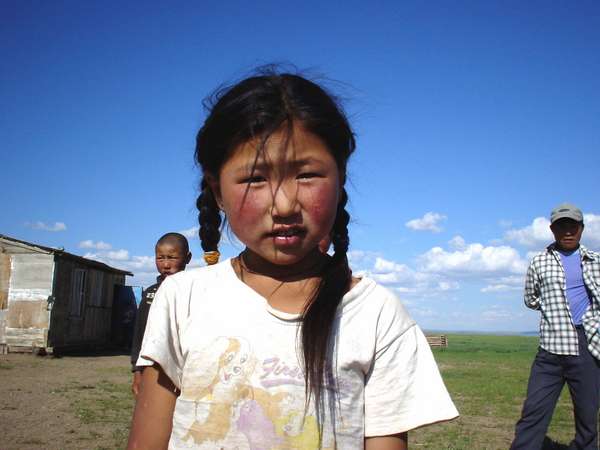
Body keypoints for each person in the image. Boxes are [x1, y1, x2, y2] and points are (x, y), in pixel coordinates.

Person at [127, 70, 458, 450]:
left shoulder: (376, 314)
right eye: (255, 178)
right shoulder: (182, 298)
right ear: (218, 192)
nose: (284, 204)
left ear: (340, 179)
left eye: (306, 174)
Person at [511, 203, 600, 450]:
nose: (568, 231)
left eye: (573, 226)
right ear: (553, 230)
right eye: (562, 226)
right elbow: (531, 298)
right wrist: (556, 310)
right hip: (550, 348)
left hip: (588, 346)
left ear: (582, 229)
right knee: (534, 411)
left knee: (588, 415)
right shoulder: (539, 262)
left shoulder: (596, 261)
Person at [130, 232, 191, 397]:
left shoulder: (194, 292)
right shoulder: (150, 294)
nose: (165, 264)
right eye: (160, 258)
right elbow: (140, 333)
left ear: (188, 258)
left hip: (186, 368)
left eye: (172, 258)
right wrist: (137, 370)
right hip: (154, 367)